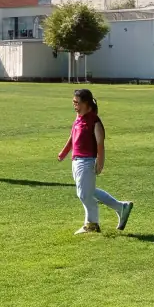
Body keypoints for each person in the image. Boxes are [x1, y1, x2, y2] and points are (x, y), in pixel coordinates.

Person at [57, 88, 133, 235]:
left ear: (86, 103)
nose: (74, 105)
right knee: (89, 191)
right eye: (73, 102)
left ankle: (92, 224)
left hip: (87, 162)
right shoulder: (78, 119)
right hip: (76, 161)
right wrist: (64, 153)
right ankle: (121, 207)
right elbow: (72, 138)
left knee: (84, 194)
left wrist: (100, 162)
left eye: (77, 102)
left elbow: (100, 143)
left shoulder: (94, 121)